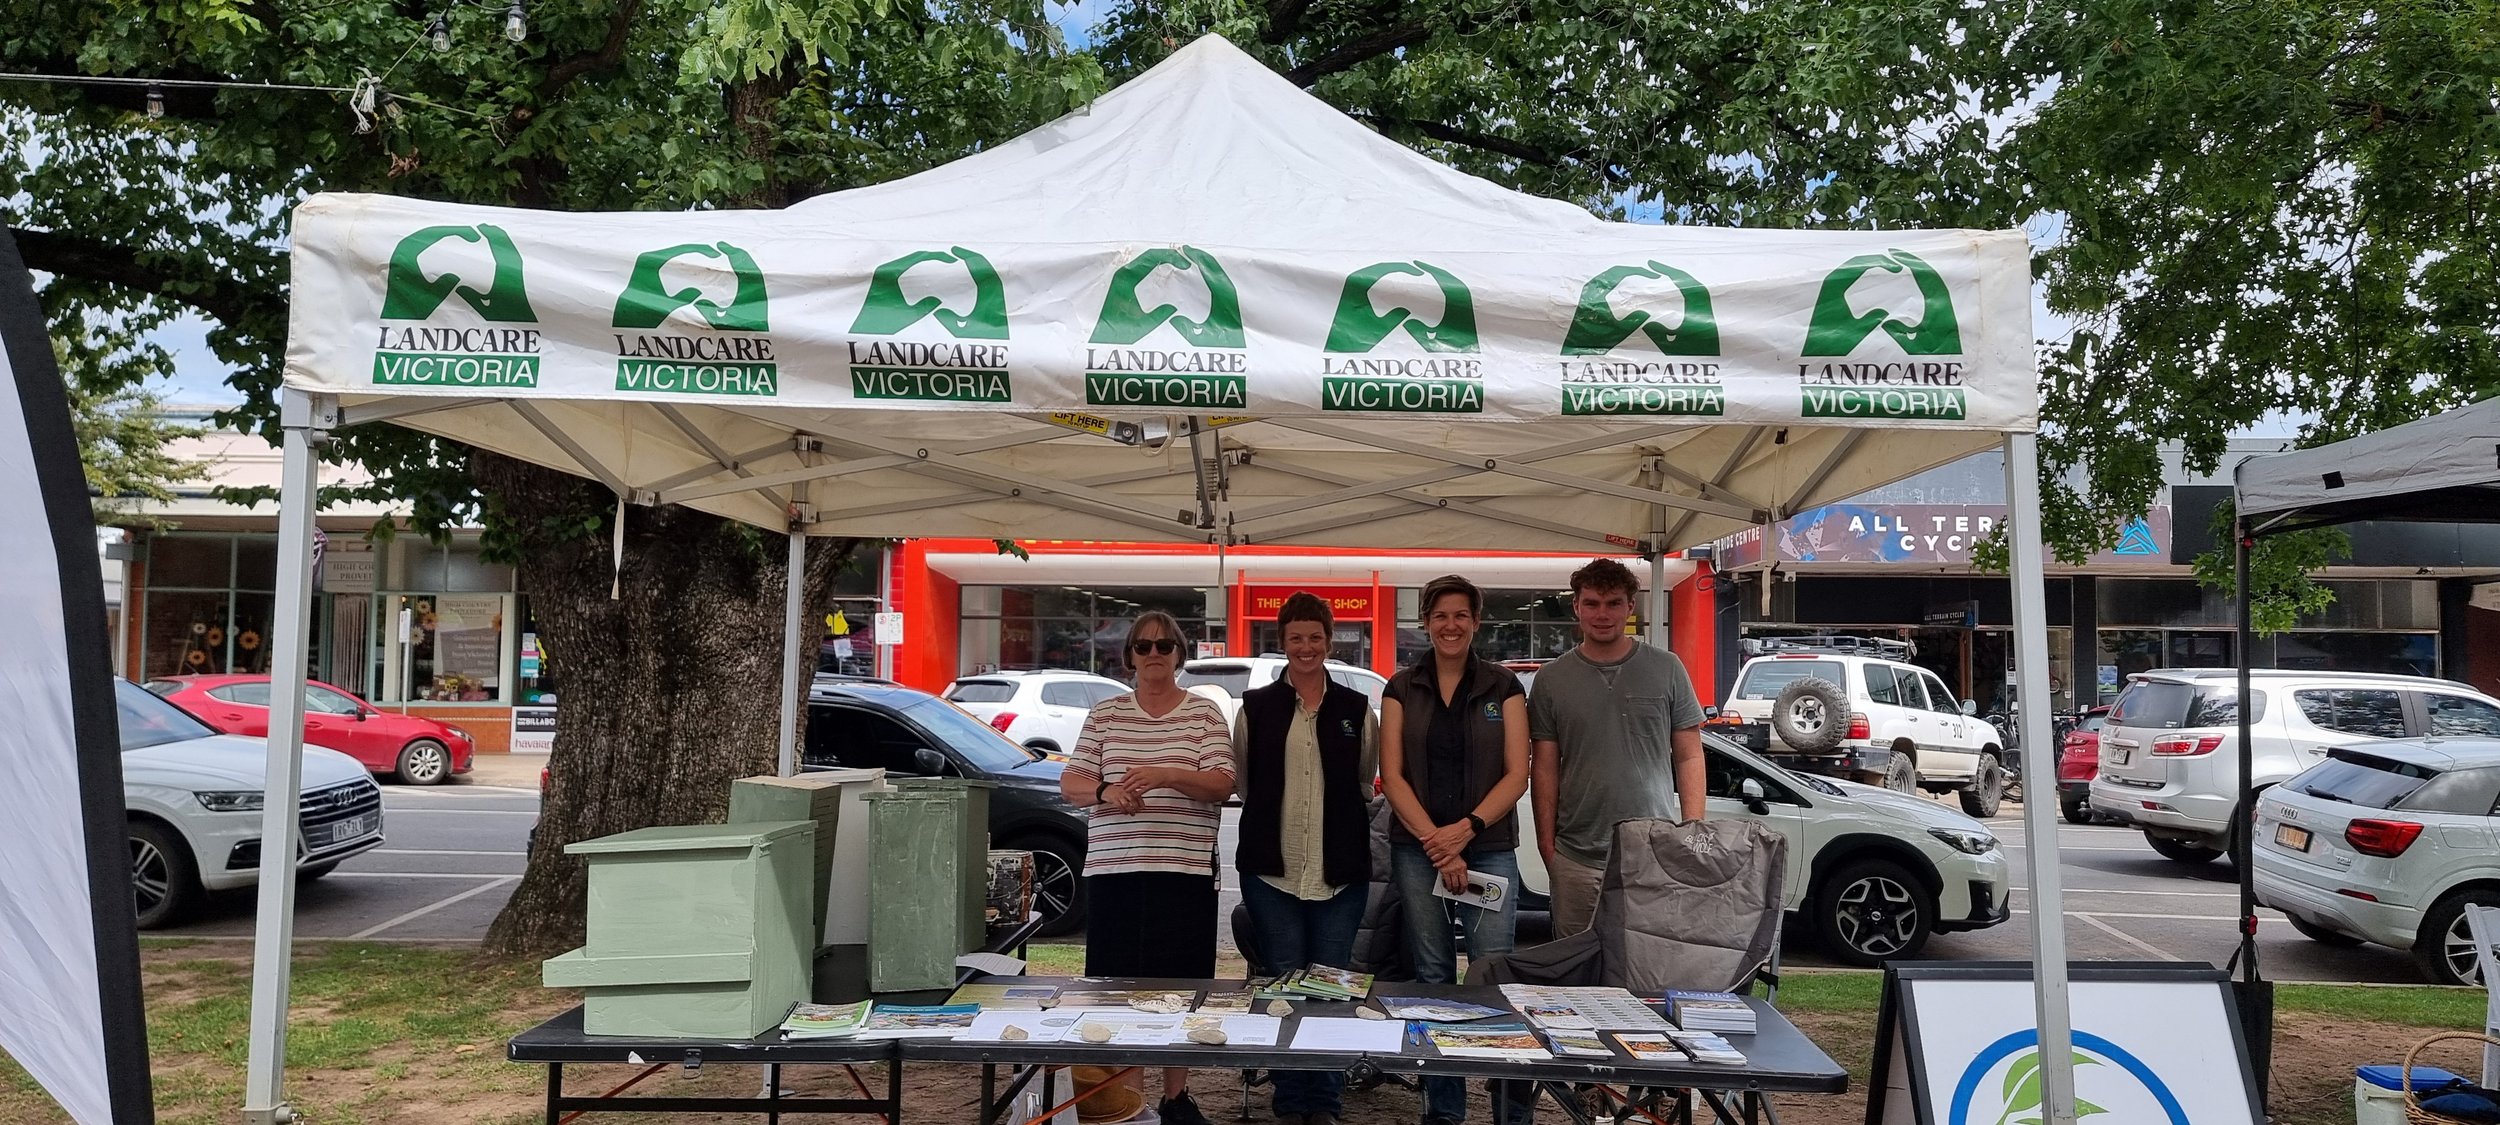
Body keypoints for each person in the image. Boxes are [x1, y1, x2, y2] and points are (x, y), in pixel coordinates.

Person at [1061, 610, 1234, 1125]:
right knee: (1116, 989)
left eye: (1164, 646)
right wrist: (1105, 790)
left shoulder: (1204, 715)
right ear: (1129, 655)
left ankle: (1175, 1097)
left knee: (1184, 987)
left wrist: (1166, 774)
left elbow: (1223, 785)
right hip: (1116, 872)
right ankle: (1127, 1103)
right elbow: (1071, 785)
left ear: (1180, 653)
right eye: (1143, 646)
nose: (1154, 654)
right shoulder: (1106, 715)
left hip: (1183, 872)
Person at [1380, 574, 1533, 1125]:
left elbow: (1519, 773)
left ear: (1475, 622)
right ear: (1426, 622)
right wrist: (1438, 846)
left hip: (1488, 845)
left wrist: (1464, 831)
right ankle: (1443, 1111)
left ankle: (1509, 1113)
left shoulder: (1504, 688)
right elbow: (1391, 777)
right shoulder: (1400, 687)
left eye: (1460, 615)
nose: (1450, 625)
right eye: (1440, 615)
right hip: (1418, 847)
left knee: (1493, 975)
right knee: (1432, 973)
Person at [1233, 592, 1378, 1125]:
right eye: (1296, 637)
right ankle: (1291, 1102)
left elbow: (1365, 780)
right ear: (1283, 642)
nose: (1306, 646)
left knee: (1331, 986)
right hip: (1273, 870)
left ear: (1328, 640)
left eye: (1315, 636)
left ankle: (1326, 1104)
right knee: (1285, 984)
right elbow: (1247, 785)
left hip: (1340, 872)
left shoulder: (1357, 709)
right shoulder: (1254, 708)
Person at [1530, 558, 1707, 939]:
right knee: (1576, 974)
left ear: (1631, 606)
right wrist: (1549, 848)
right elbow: (1544, 768)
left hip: (1652, 853)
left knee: (1646, 971)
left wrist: (1691, 832)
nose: (1602, 614)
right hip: (1577, 856)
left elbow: (1690, 755)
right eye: (1591, 603)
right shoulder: (1551, 679)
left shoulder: (1667, 668)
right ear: (1576, 607)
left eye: (1613, 603)